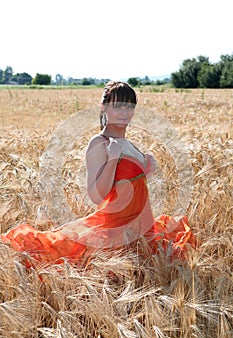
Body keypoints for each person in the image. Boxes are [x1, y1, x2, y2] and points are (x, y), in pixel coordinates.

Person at [2, 81, 197, 268]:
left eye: (129, 106)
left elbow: (131, 187)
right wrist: (112, 159)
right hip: (117, 229)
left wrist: (147, 169)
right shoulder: (100, 143)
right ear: (104, 107)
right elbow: (97, 196)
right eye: (118, 106)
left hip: (142, 227)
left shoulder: (129, 144)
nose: (124, 112)